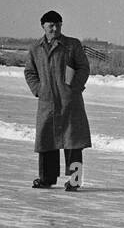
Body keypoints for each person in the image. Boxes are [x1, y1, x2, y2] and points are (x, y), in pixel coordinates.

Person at [24, 10, 92, 190]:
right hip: (47, 102)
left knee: (73, 143)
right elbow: (30, 72)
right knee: (47, 142)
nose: (55, 29)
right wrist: (39, 90)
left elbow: (83, 68)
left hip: (70, 102)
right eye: (51, 26)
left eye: (58, 25)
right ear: (43, 26)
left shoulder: (72, 45)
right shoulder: (35, 48)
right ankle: (47, 179)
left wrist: (74, 89)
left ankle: (75, 181)